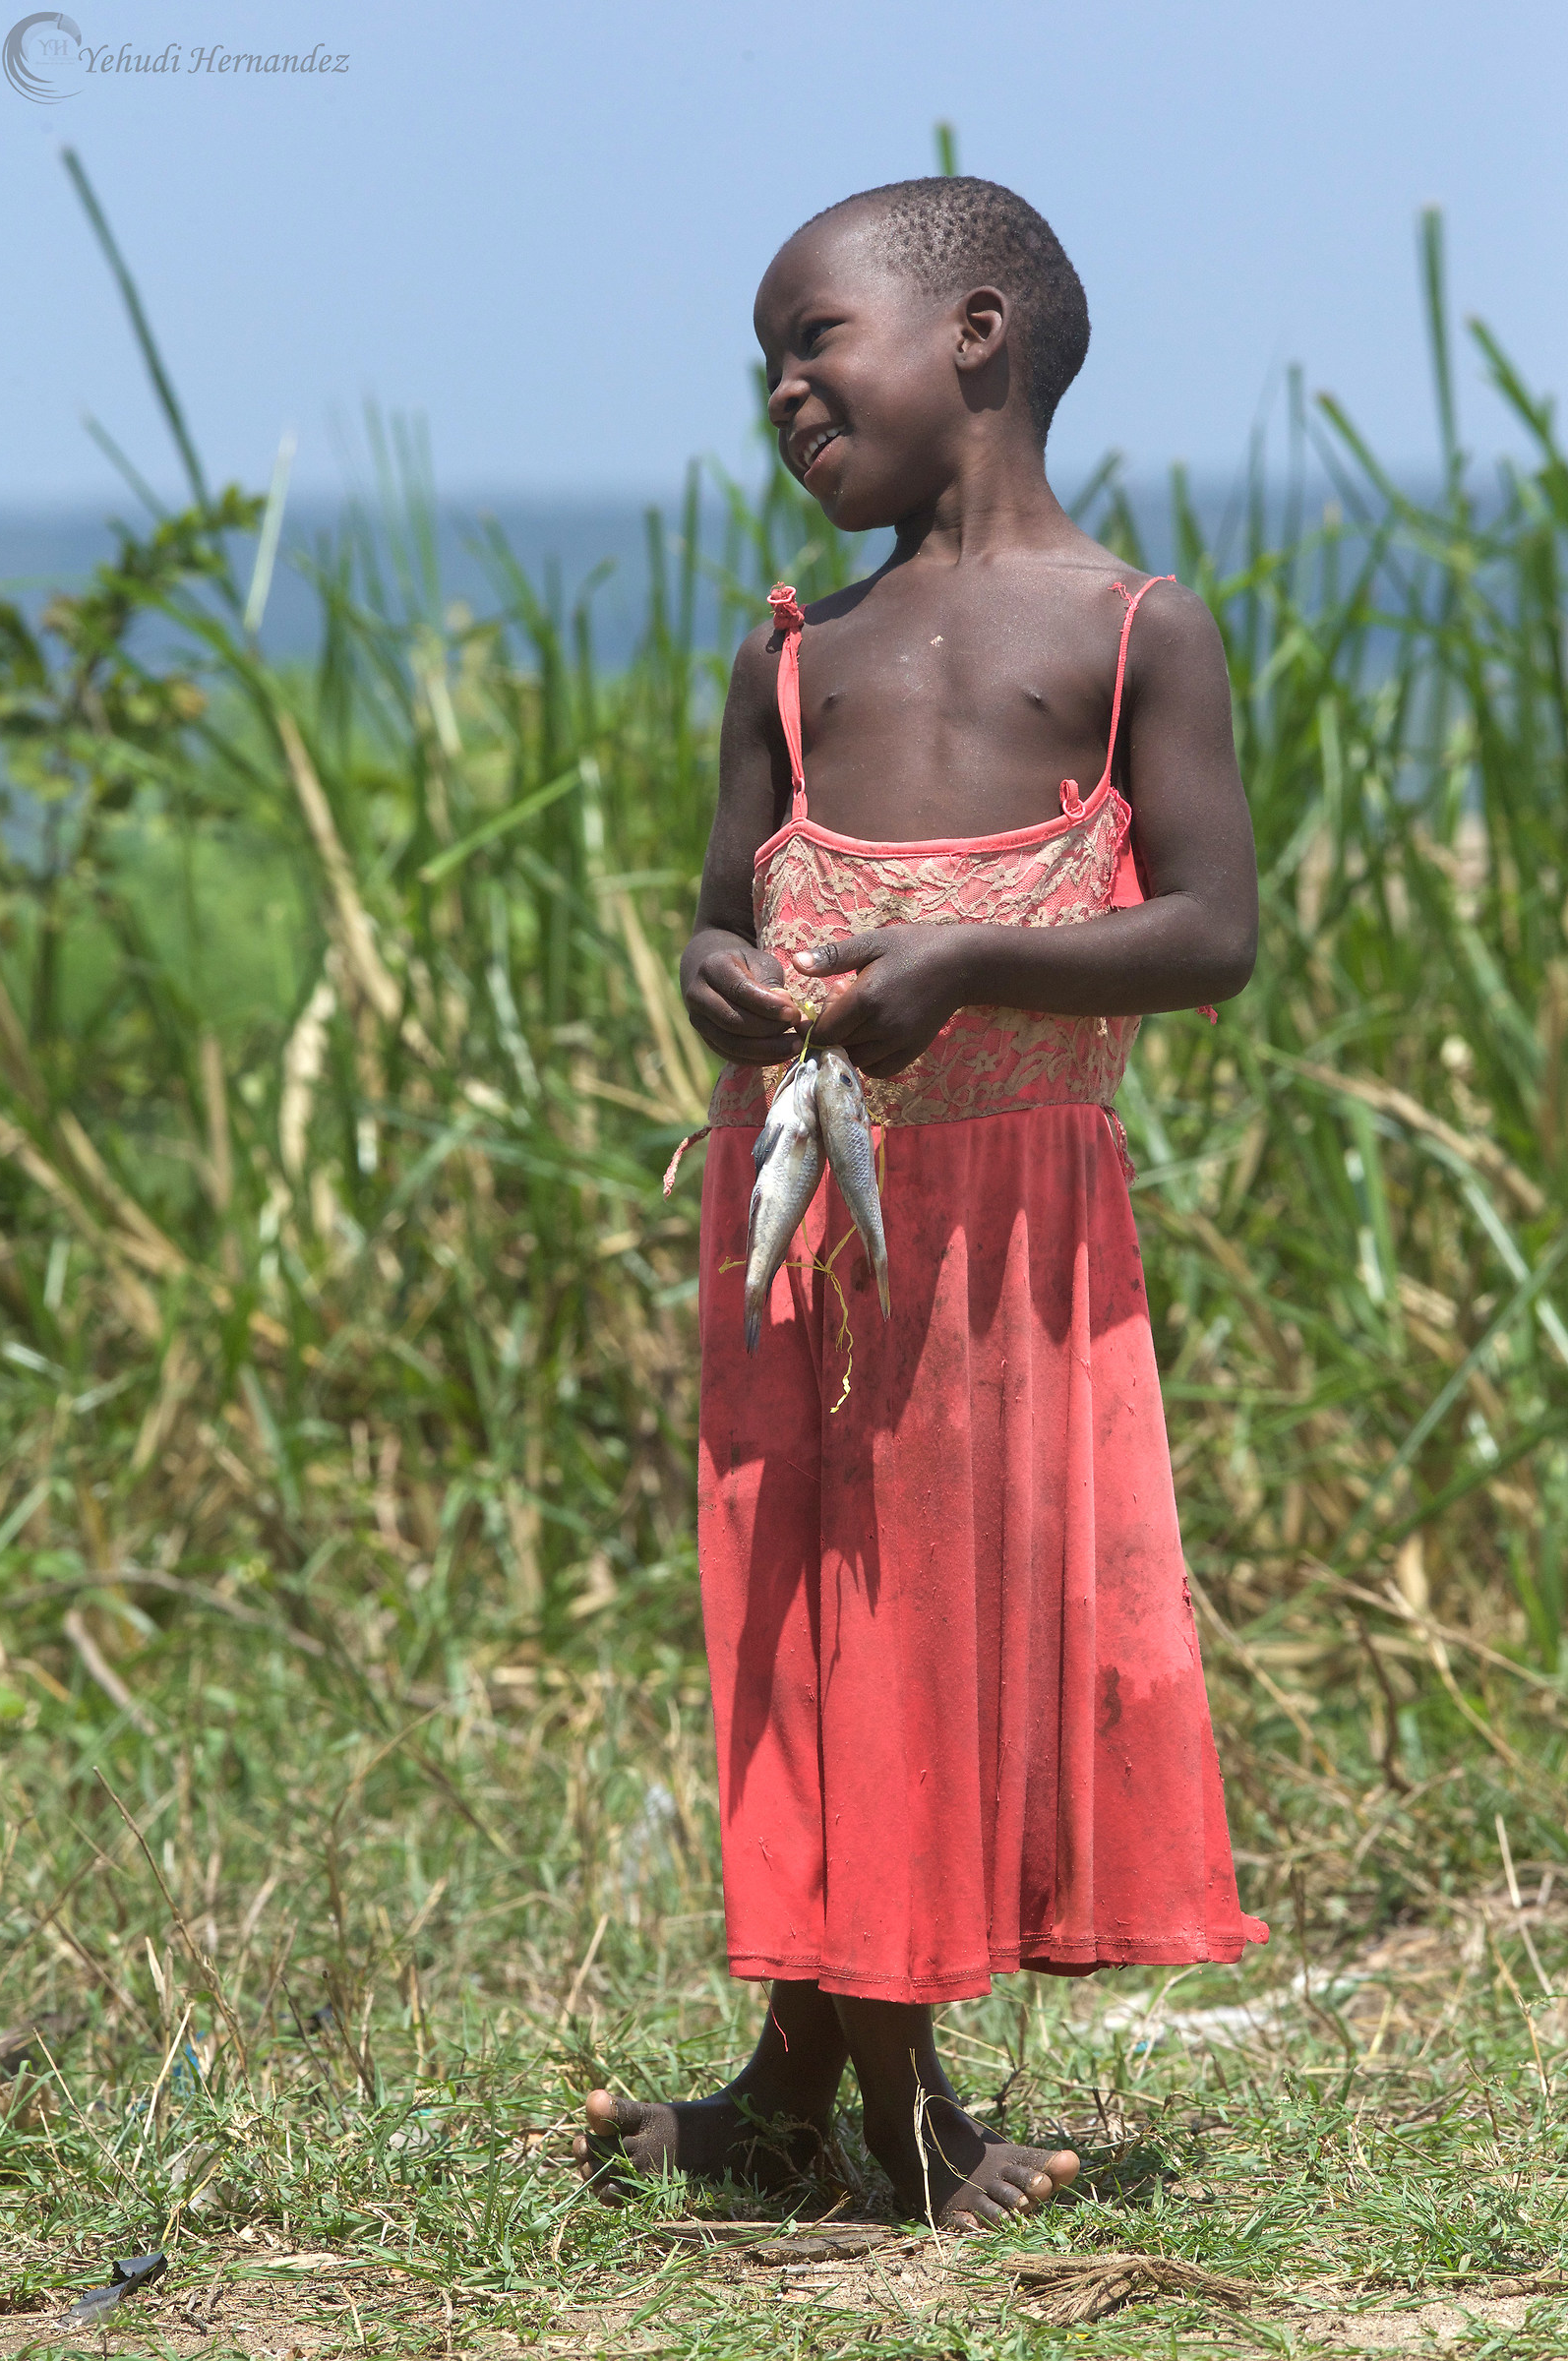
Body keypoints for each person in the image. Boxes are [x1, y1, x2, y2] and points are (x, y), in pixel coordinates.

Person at [574, 174, 1267, 2233]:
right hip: (809, 1240)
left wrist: (966, 966)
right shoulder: (794, 658)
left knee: (937, 1642)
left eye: (813, 340)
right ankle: (892, 2114)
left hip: (1014, 1247)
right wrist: (718, 982)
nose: (781, 390)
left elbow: (1210, 932)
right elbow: (716, 930)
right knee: (823, 1639)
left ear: (973, 336)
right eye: (765, 366)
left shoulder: (1131, 630)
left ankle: (803, 2093)